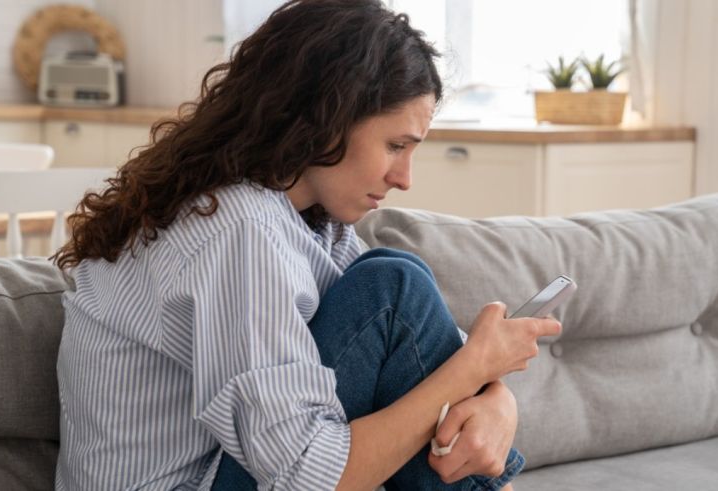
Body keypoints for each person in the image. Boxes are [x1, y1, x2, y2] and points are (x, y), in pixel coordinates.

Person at [52, 1, 561, 489]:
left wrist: (496, 399)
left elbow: (421, 357)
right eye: (395, 145)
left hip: (227, 473)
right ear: (327, 117)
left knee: (395, 276)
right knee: (396, 285)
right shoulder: (235, 230)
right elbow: (302, 478)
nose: (404, 178)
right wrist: (473, 370)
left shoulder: (306, 220)